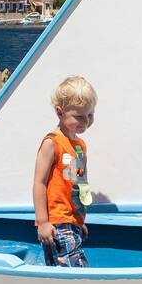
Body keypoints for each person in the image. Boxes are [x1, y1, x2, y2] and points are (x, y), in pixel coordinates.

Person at [32, 75, 96, 267]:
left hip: (71, 222)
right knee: (77, 272)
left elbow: (75, 182)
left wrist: (78, 220)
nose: (85, 121)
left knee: (61, 273)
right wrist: (42, 222)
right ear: (60, 113)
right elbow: (39, 182)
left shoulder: (79, 144)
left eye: (90, 115)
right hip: (56, 223)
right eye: (79, 116)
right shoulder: (52, 143)